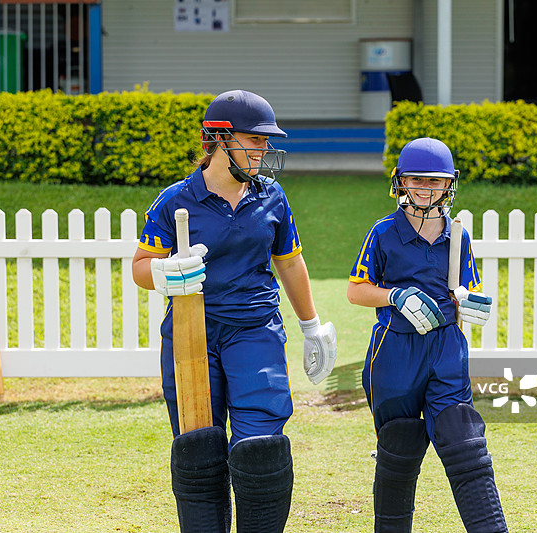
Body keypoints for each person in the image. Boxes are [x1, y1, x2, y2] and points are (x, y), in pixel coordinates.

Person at [131, 89, 337, 533]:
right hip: (192, 334)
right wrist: (168, 272)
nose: (265, 150)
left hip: (255, 331)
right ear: (219, 139)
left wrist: (311, 325)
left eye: (267, 142)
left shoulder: (273, 197)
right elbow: (141, 269)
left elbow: (290, 261)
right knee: (198, 449)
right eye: (256, 140)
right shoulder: (174, 200)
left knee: (261, 447)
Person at [347, 137, 508, 533]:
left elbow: (467, 286)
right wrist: (395, 296)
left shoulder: (459, 236)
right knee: (398, 448)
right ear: (400, 182)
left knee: (464, 441)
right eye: (416, 179)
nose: (425, 188)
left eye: (435, 181)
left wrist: (470, 302)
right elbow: (356, 291)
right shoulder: (383, 232)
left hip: (446, 348)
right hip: (395, 351)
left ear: (450, 185)